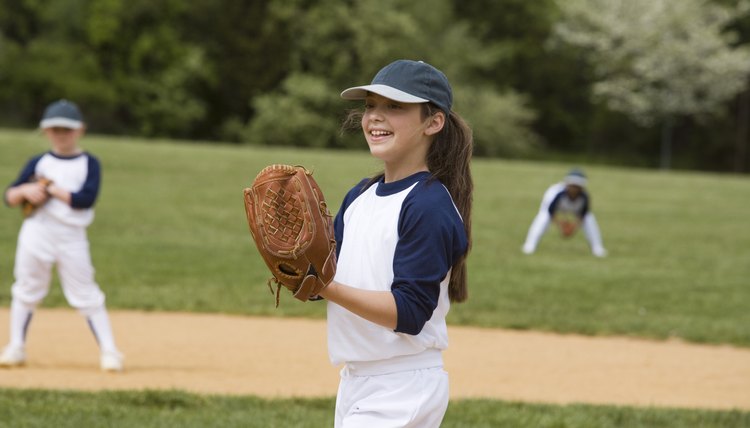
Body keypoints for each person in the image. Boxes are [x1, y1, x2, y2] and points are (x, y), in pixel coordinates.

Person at [317, 59, 472, 427]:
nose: (375, 117)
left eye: (395, 107)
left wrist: (323, 286)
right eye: (371, 105)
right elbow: (328, 272)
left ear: (433, 122)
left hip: (402, 385)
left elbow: (409, 313)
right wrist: (299, 269)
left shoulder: (428, 204)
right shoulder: (362, 194)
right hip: (358, 380)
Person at [0, 99, 124, 372]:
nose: (60, 135)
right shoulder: (38, 162)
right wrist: (25, 191)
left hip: (71, 237)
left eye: (66, 130)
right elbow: (9, 195)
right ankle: (16, 347)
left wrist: (50, 188)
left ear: (80, 130)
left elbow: (85, 199)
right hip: (36, 232)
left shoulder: (89, 162)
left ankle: (110, 351)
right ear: (46, 131)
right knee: (26, 289)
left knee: (86, 293)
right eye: (54, 129)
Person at [521, 168, 607, 257]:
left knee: (589, 218)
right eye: (572, 185)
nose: (574, 189)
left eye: (576, 186)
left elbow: (583, 215)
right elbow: (551, 212)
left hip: (574, 208)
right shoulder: (557, 194)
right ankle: (530, 245)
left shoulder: (584, 197)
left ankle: (597, 248)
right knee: (543, 217)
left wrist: (573, 227)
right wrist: (560, 225)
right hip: (556, 207)